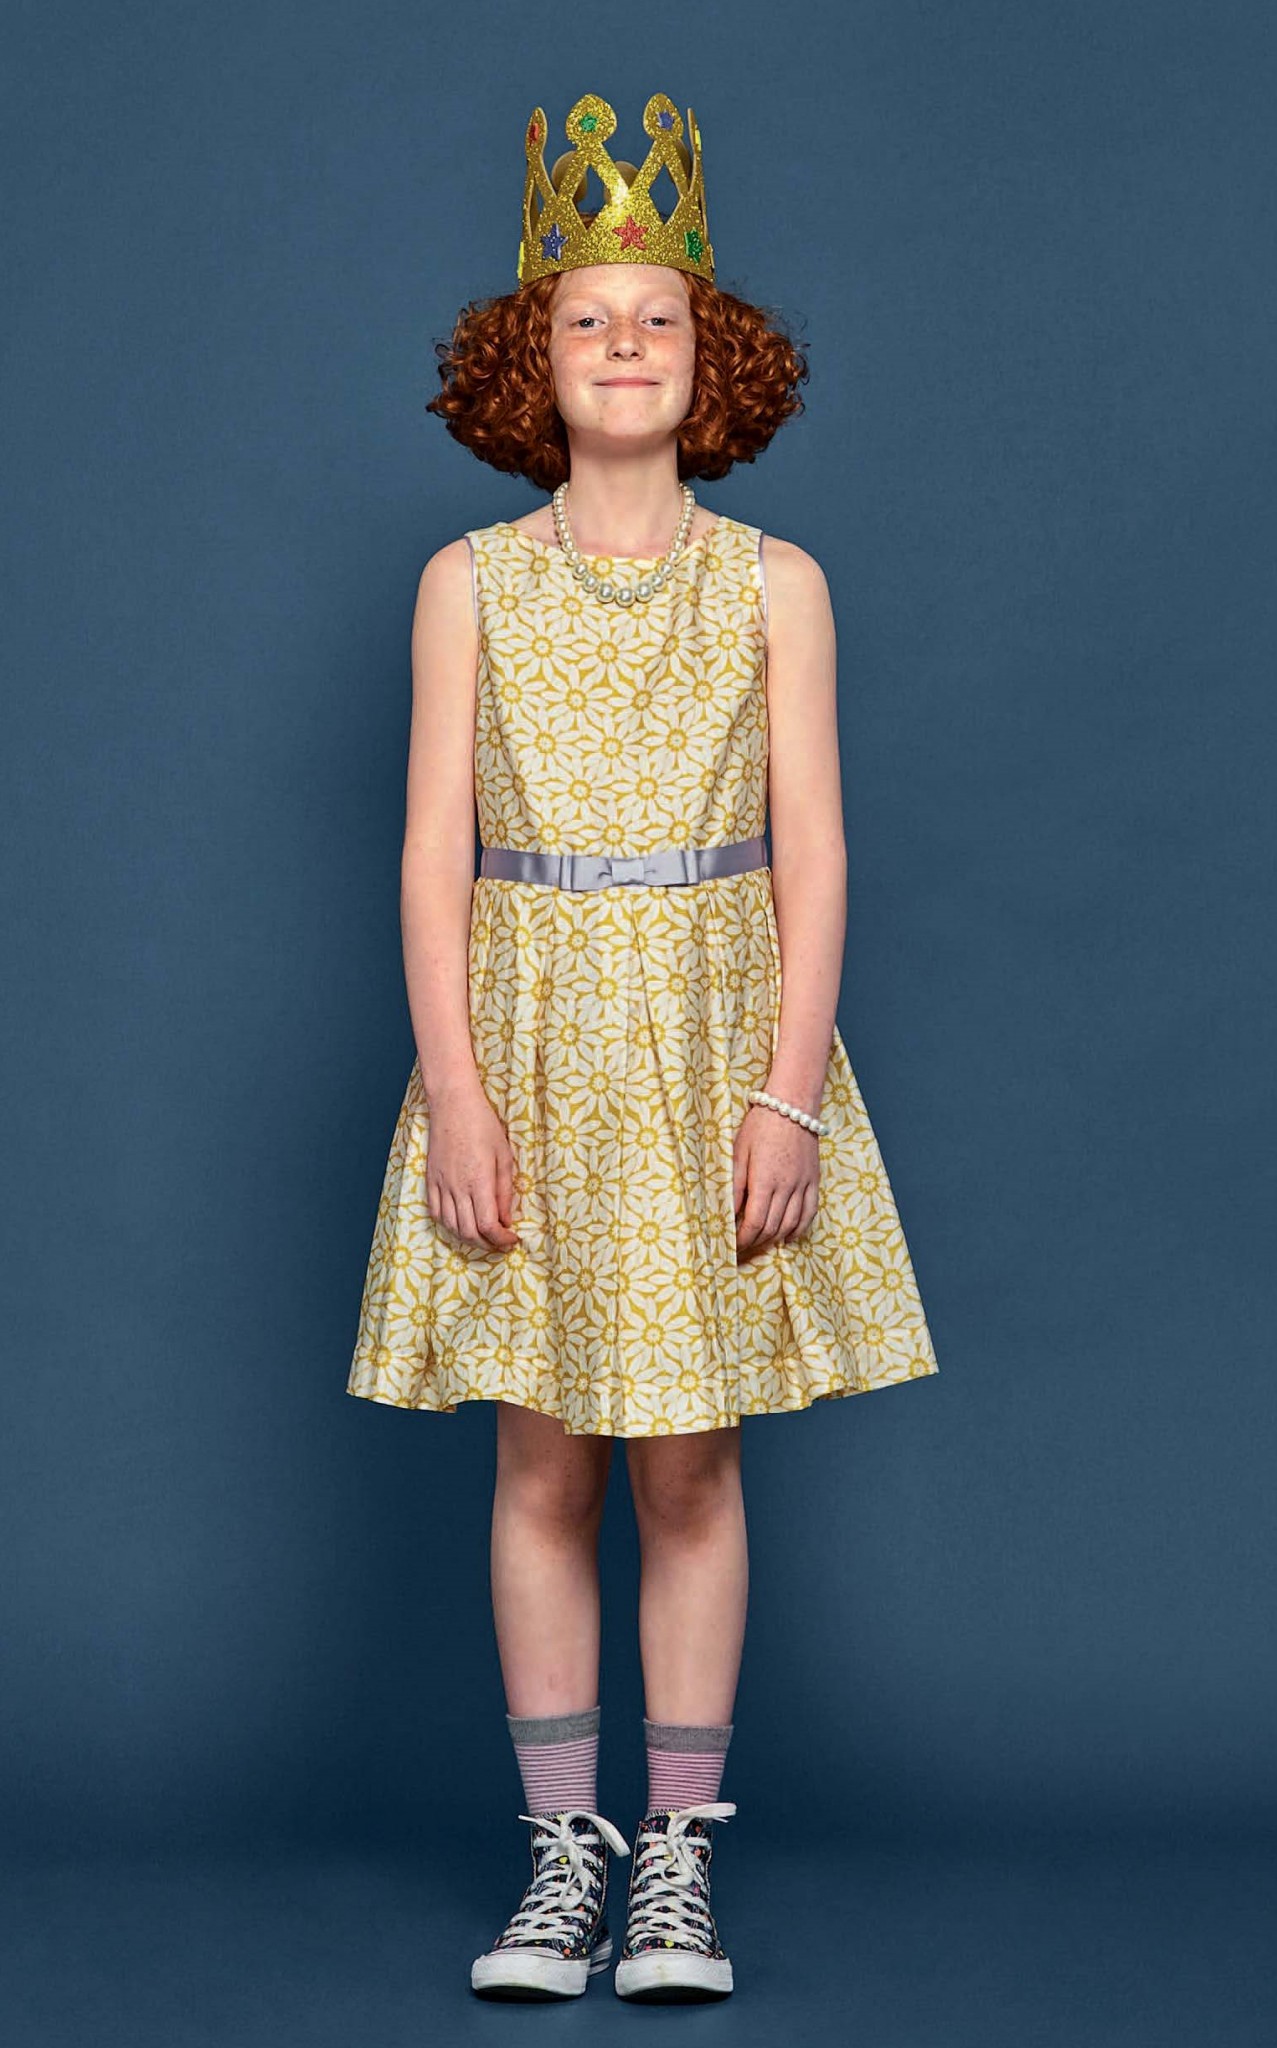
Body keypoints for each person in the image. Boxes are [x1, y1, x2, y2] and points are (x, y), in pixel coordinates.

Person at [347, 90, 940, 2003]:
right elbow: (432, 855)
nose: (623, 343)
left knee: (686, 1466)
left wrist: (787, 1090)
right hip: (526, 1045)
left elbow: (814, 850)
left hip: (706, 1051)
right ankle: (560, 1859)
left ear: (713, 353)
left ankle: (676, 1858)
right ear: (530, 358)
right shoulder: (468, 583)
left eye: (657, 317)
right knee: (543, 1463)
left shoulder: (775, 584)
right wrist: (455, 1088)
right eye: (586, 317)